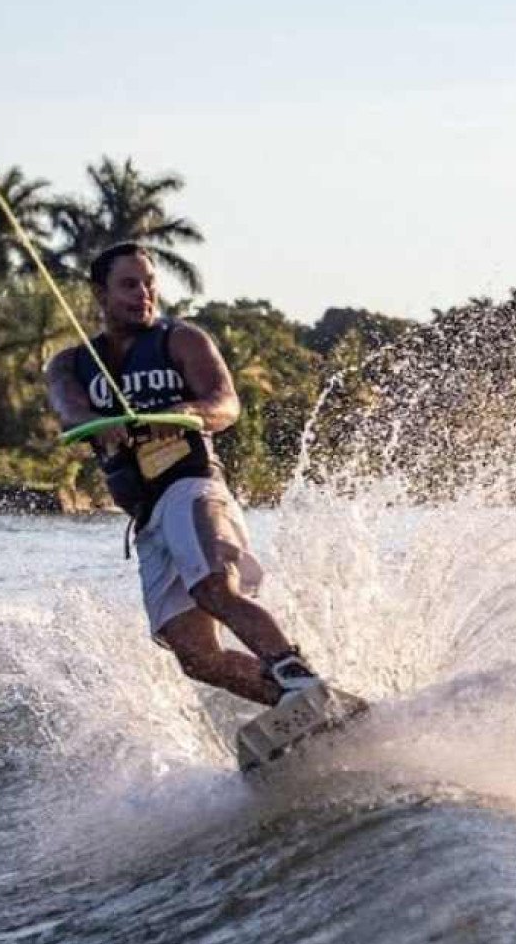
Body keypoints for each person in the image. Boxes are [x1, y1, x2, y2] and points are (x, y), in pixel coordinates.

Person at [45, 241, 364, 772]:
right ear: (99, 293)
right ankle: (297, 708)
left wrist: (175, 413)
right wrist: (105, 427)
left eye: (149, 283)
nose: (143, 293)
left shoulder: (181, 339)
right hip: (145, 519)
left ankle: (299, 678)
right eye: (129, 284)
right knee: (196, 655)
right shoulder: (71, 363)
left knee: (215, 586)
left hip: (192, 487)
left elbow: (225, 404)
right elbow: (70, 411)